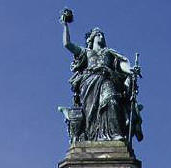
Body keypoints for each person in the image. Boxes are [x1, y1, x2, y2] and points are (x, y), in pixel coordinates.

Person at [60, 15, 142, 143]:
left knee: (111, 100)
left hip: (106, 78)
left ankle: (114, 134)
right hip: (88, 83)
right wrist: (65, 24)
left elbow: (122, 64)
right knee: (90, 114)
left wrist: (130, 70)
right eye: (98, 34)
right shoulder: (85, 52)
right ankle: (92, 136)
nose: (101, 36)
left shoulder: (109, 52)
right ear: (91, 38)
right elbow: (67, 44)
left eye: (102, 34)